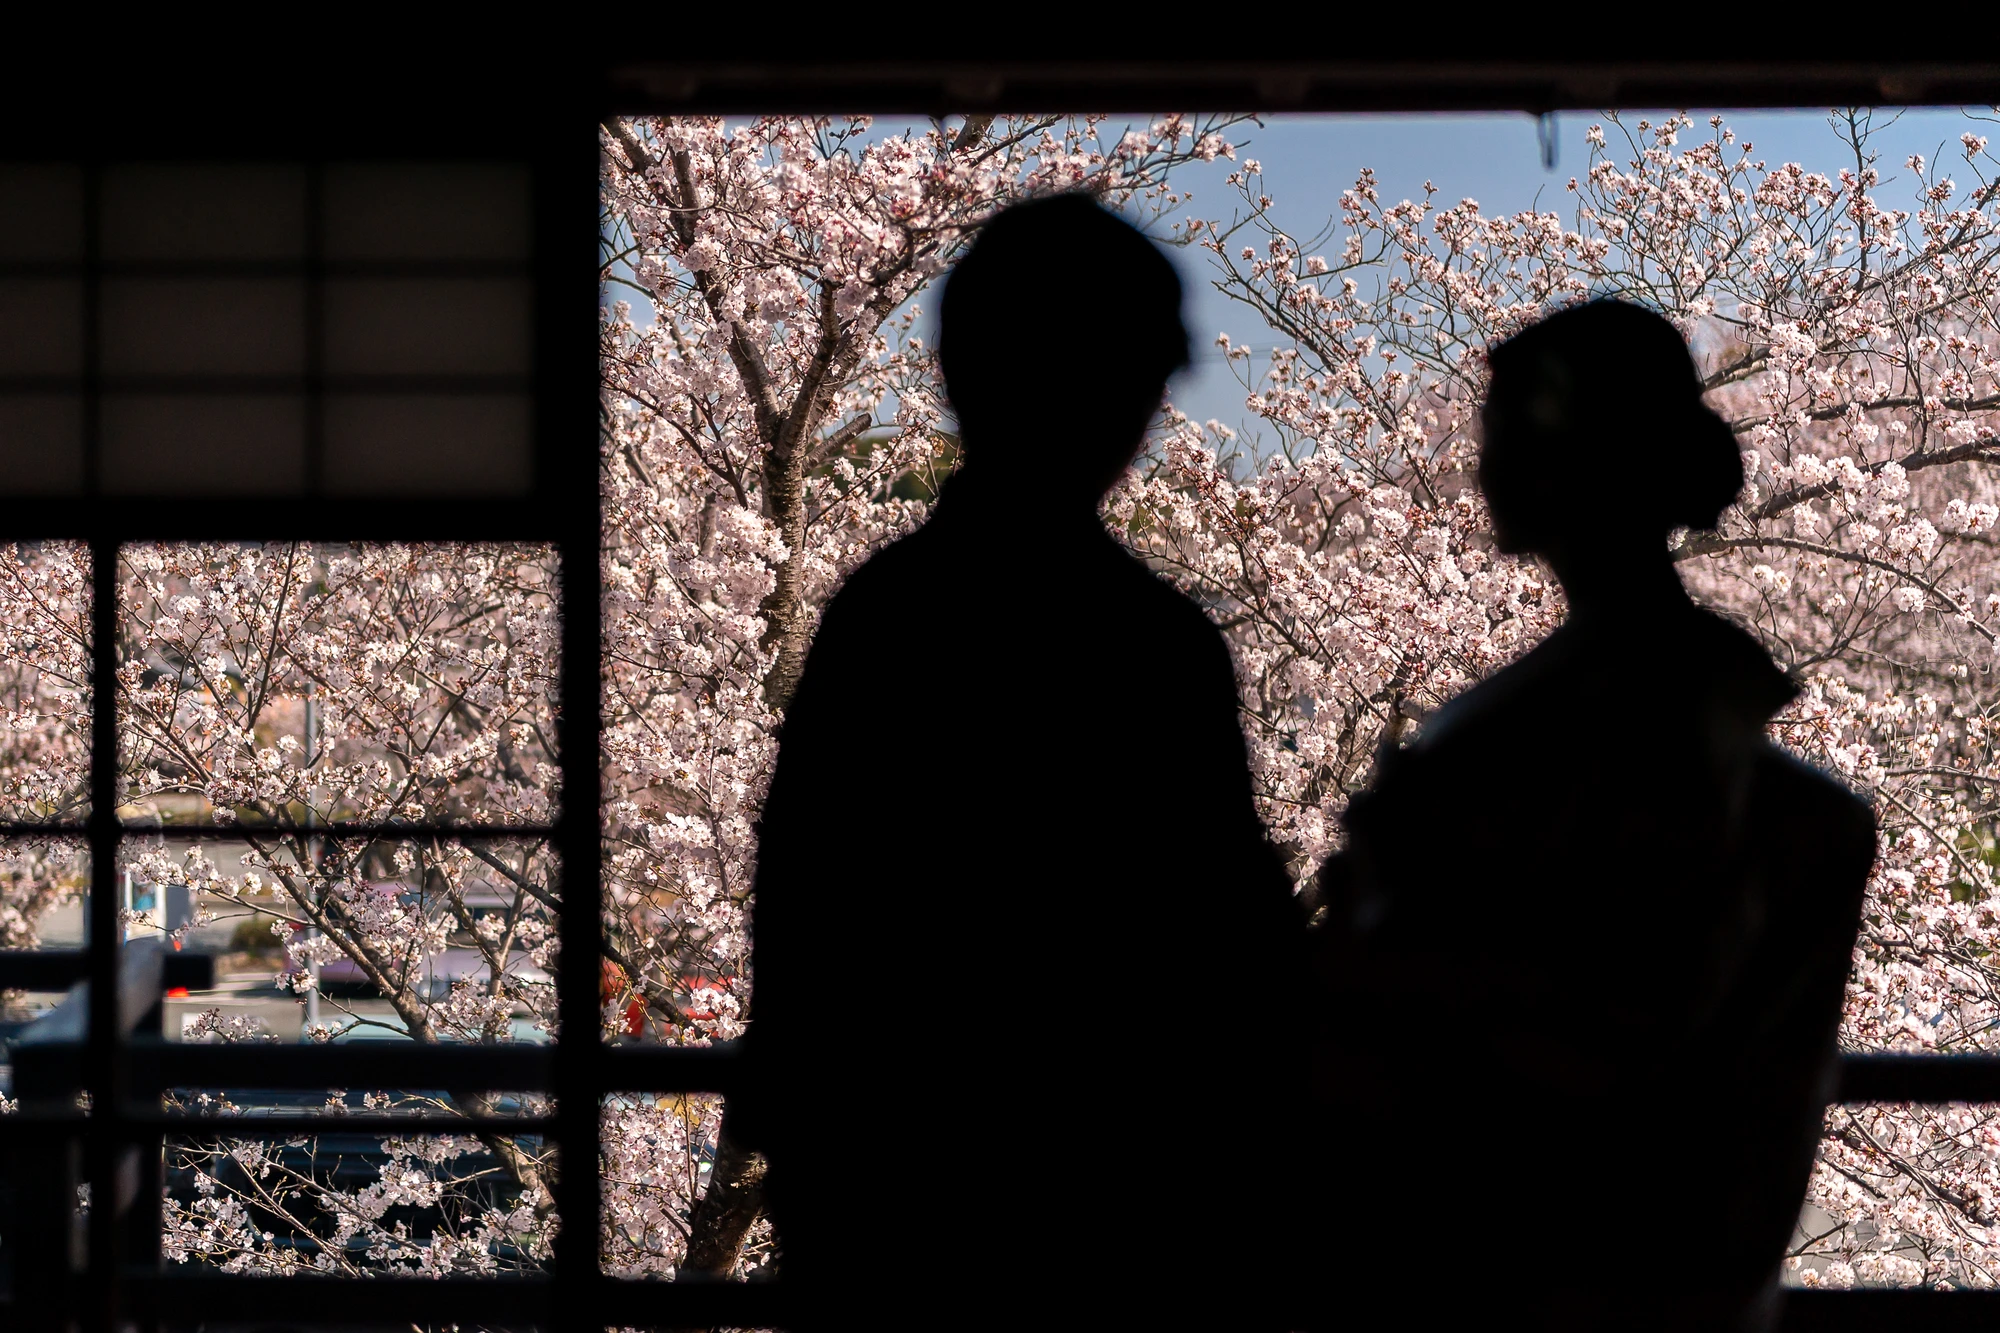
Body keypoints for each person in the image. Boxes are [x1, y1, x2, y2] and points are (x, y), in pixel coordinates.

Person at [740, 194, 1310, 1329]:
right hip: (1120, 1224)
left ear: (953, 374)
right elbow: (1229, 954)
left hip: (886, 1213)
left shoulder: (883, 619)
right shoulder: (1154, 645)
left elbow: (801, 909)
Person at [1312, 300, 1874, 1331]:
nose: (1475, 473)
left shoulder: (1593, 736)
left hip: (1528, 1271)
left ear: (1567, 459)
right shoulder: (1686, 723)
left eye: (1495, 438)